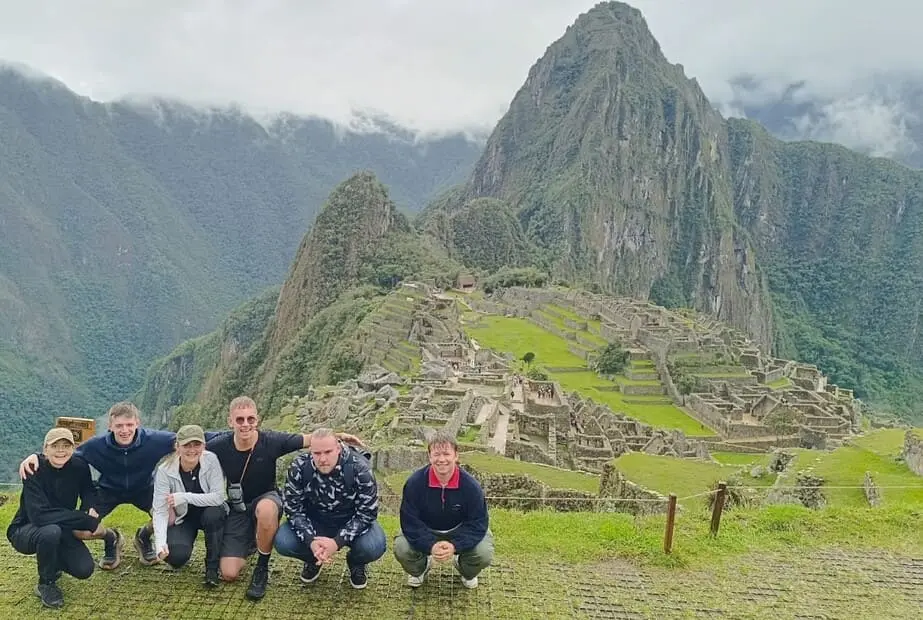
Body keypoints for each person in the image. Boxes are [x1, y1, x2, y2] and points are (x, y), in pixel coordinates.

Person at [205, 396, 365, 601]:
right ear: (230, 422)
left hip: (266, 498)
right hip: (238, 506)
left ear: (258, 420)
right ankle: (253, 542)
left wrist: (340, 436)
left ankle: (262, 568)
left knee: (267, 510)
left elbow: (309, 439)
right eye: (240, 420)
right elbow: (193, 450)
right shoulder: (219, 445)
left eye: (250, 419)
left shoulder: (270, 441)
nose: (246, 424)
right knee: (229, 573)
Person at [17, 401, 210, 569]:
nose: (124, 430)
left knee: (168, 518)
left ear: (138, 424)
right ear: (110, 426)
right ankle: (111, 538)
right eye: (119, 425)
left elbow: (194, 440)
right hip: (108, 490)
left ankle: (143, 537)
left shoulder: (154, 440)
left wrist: (234, 436)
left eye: (129, 424)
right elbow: (62, 454)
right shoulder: (96, 446)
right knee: (81, 530)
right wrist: (37, 457)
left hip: (144, 488)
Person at [6, 428, 118, 609]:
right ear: (45, 449)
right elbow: (39, 516)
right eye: (55, 446)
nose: (60, 450)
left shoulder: (79, 466)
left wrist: (89, 508)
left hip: (61, 527)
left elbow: (88, 490)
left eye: (66, 446)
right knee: (50, 532)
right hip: (26, 528)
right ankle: (46, 583)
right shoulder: (33, 469)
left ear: (73, 449)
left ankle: (52, 560)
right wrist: (82, 519)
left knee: (84, 569)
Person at [274, 427, 386, 590]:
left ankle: (356, 563)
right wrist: (310, 540)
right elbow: (293, 509)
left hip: (351, 520)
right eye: (317, 453)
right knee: (283, 541)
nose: (322, 459)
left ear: (338, 449)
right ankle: (314, 559)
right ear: (310, 451)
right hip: (315, 521)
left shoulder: (359, 468)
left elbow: (367, 513)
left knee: (373, 547)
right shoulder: (299, 467)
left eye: (328, 452)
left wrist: (337, 542)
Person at [393, 430, 494, 589]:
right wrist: (430, 545)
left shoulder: (471, 487)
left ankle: (465, 570)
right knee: (402, 548)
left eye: (446, 454)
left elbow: (478, 524)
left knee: (483, 553)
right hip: (427, 528)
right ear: (429, 456)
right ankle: (420, 568)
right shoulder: (415, 483)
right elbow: (410, 522)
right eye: (436, 454)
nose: (441, 459)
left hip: (459, 529)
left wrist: (455, 545)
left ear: (456, 455)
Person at [152, 424, 228, 588]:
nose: (192, 450)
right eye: (186, 445)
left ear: (204, 445)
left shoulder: (211, 460)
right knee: (176, 557)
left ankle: (212, 568)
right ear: (177, 447)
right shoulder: (165, 471)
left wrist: (184, 497)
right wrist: (160, 543)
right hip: (183, 518)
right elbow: (159, 509)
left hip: (209, 513)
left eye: (197, 445)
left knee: (214, 514)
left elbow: (218, 497)